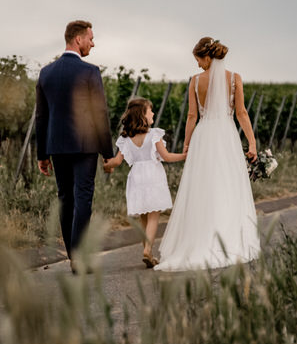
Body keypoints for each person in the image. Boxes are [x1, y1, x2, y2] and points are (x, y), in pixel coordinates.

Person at [155, 37, 261, 271]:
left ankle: (201, 239)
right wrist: (252, 143)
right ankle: (229, 240)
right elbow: (241, 113)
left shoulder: (195, 81)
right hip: (226, 135)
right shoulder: (235, 78)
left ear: (207, 57)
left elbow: (192, 116)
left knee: (203, 187)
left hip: (204, 137)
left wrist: (186, 144)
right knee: (227, 185)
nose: (198, 66)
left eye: (199, 60)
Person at [35, 20, 114, 273]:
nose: (93, 42)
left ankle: (73, 255)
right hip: (85, 146)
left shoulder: (46, 73)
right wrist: (108, 153)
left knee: (65, 197)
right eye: (91, 38)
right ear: (77, 40)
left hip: (56, 146)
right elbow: (99, 113)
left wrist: (42, 154)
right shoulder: (90, 72)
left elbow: (41, 117)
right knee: (82, 198)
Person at [103, 97, 187, 267]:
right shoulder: (153, 135)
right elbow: (167, 157)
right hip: (153, 176)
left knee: (143, 217)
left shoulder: (126, 138)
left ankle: (147, 251)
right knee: (154, 215)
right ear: (143, 115)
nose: (153, 113)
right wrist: (186, 155)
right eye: (150, 111)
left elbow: (117, 161)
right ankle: (148, 250)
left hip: (136, 178)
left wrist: (107, 165)